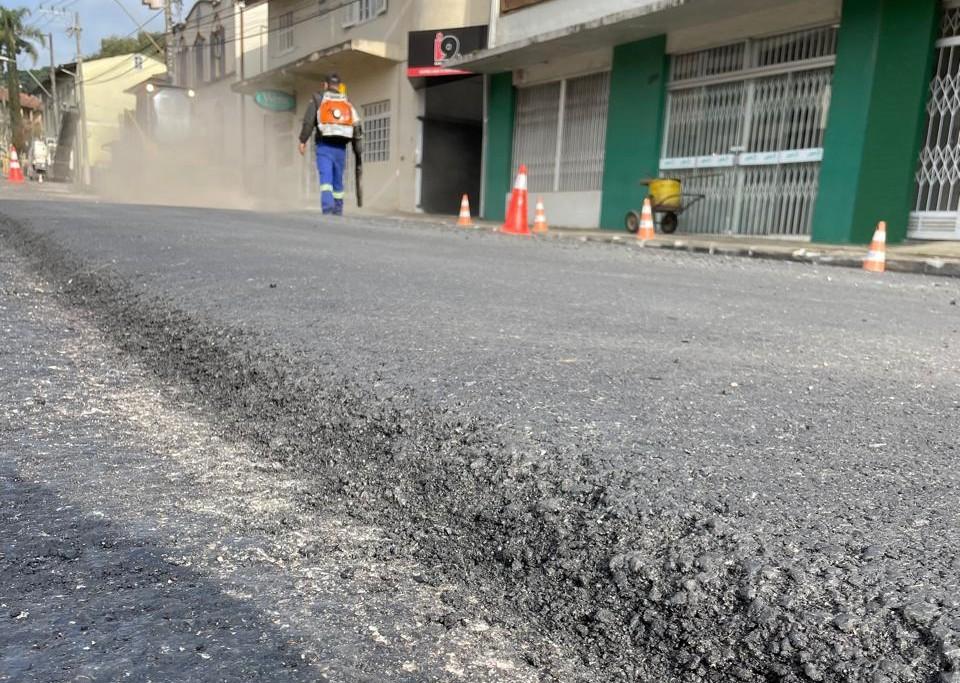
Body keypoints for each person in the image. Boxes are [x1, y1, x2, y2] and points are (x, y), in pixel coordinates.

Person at [298, 74, 363, 216]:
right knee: (338, 181)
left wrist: (303, 140)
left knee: (326, 179)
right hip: (341, 148)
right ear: (339, 86)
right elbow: (357, 126)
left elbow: (309, 121)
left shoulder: (318, 98)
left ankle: (327, 209)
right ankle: (338, 211)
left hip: (324, 146)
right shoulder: (346, 102)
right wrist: (357, 149)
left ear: (325, 85)